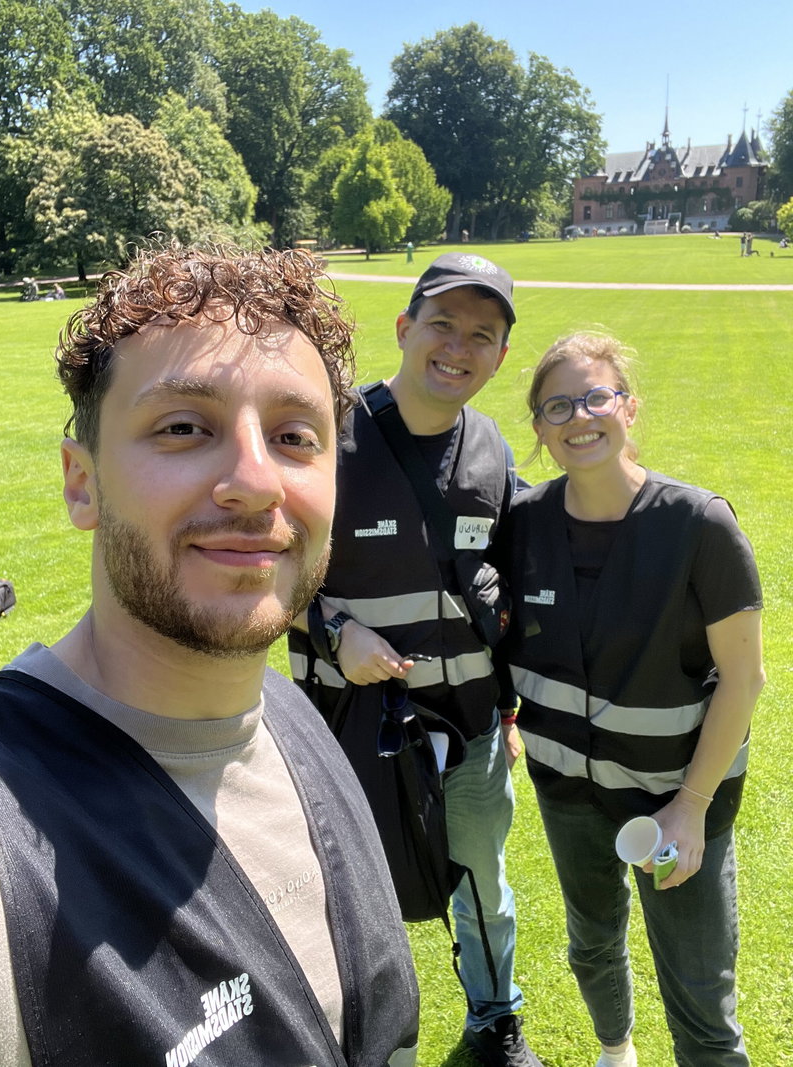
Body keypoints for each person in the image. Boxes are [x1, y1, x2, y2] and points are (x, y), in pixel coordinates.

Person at [0, 241, 419, 1067]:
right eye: (184, 427)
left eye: (295, 435)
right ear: (82, 482)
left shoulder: (290, 714)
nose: (256, 481)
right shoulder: (9, 839)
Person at [289, 252, 544, 1067]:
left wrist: (508, 711)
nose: (458, 347)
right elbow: (265, 572)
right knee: (347, 890)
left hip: (470, 730)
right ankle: (359, 1034)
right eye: (442, 324)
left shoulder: (491, 449)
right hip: (353, 727)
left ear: (500, 355)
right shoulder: (330, 437)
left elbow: (504, 591)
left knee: (481, 882)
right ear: (404, 328)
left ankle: (495, 1020)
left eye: (482, 334)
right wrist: (336, 632)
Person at [499, 332, 765, 1067]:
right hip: (568, 791)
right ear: (540, 427)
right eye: (557, 406)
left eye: (596, 397)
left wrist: (692, 804)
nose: (579, 418)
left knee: (701, 996)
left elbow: (743, 679)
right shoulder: (523, 524)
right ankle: (616, 1054)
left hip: (674, 795)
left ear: (629, 407)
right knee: (591, 945)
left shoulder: (698, 523)